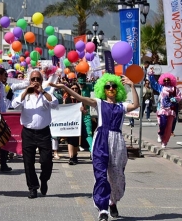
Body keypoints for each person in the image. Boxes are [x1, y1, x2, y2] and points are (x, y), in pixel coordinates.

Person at [50, 73, 139, 221]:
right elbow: (80, 98)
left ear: (118, 89)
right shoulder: (99, 102)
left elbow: (136, 105)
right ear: (103, 89)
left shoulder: (121, 106)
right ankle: (103, 208)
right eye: (107, 86)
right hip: (101, 140)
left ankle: (112, 202)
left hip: (116, 141)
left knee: (117, 177)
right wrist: (64, 87)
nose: (111, 88)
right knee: (100, 175)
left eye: (114, 86)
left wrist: (132, 86)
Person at [12, 70, 59, 199]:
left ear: (41, 81)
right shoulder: (25, 95)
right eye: (33, 79)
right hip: (28, 132)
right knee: (28, 162)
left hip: (43, 132)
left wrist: (43, 91)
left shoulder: (46, 94)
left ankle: (44, 179)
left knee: (46, 161)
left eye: (38, 79)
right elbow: (14, 105)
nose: (35, 82)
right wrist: (26, 91)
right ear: (29, 81)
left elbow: (55, 103)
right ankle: (32, 187)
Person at [148, 71, 181, 148]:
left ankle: (165, 141)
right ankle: (160, 134)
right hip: (162, 109)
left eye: (168, 80)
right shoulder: (161, 88)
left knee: (169, 127)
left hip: (171, 110)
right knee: (162, 123)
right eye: (165, 80)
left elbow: (179, 97)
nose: (166, 82)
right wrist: (151, 75)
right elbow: (154, 84)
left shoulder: (175, 89)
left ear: (171, 81)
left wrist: (174, 99)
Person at [64, 83, 82, 165]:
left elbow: (86, 111)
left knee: (76, 141)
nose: (74, 90)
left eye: (76, 88)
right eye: (72, 88)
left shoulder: (81, 99)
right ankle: (71, 157)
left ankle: (75, 155)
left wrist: (83, 110)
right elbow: (63, 110)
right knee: (70, 140)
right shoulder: (66, 99)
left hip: (78, 122)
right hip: (69, 122)